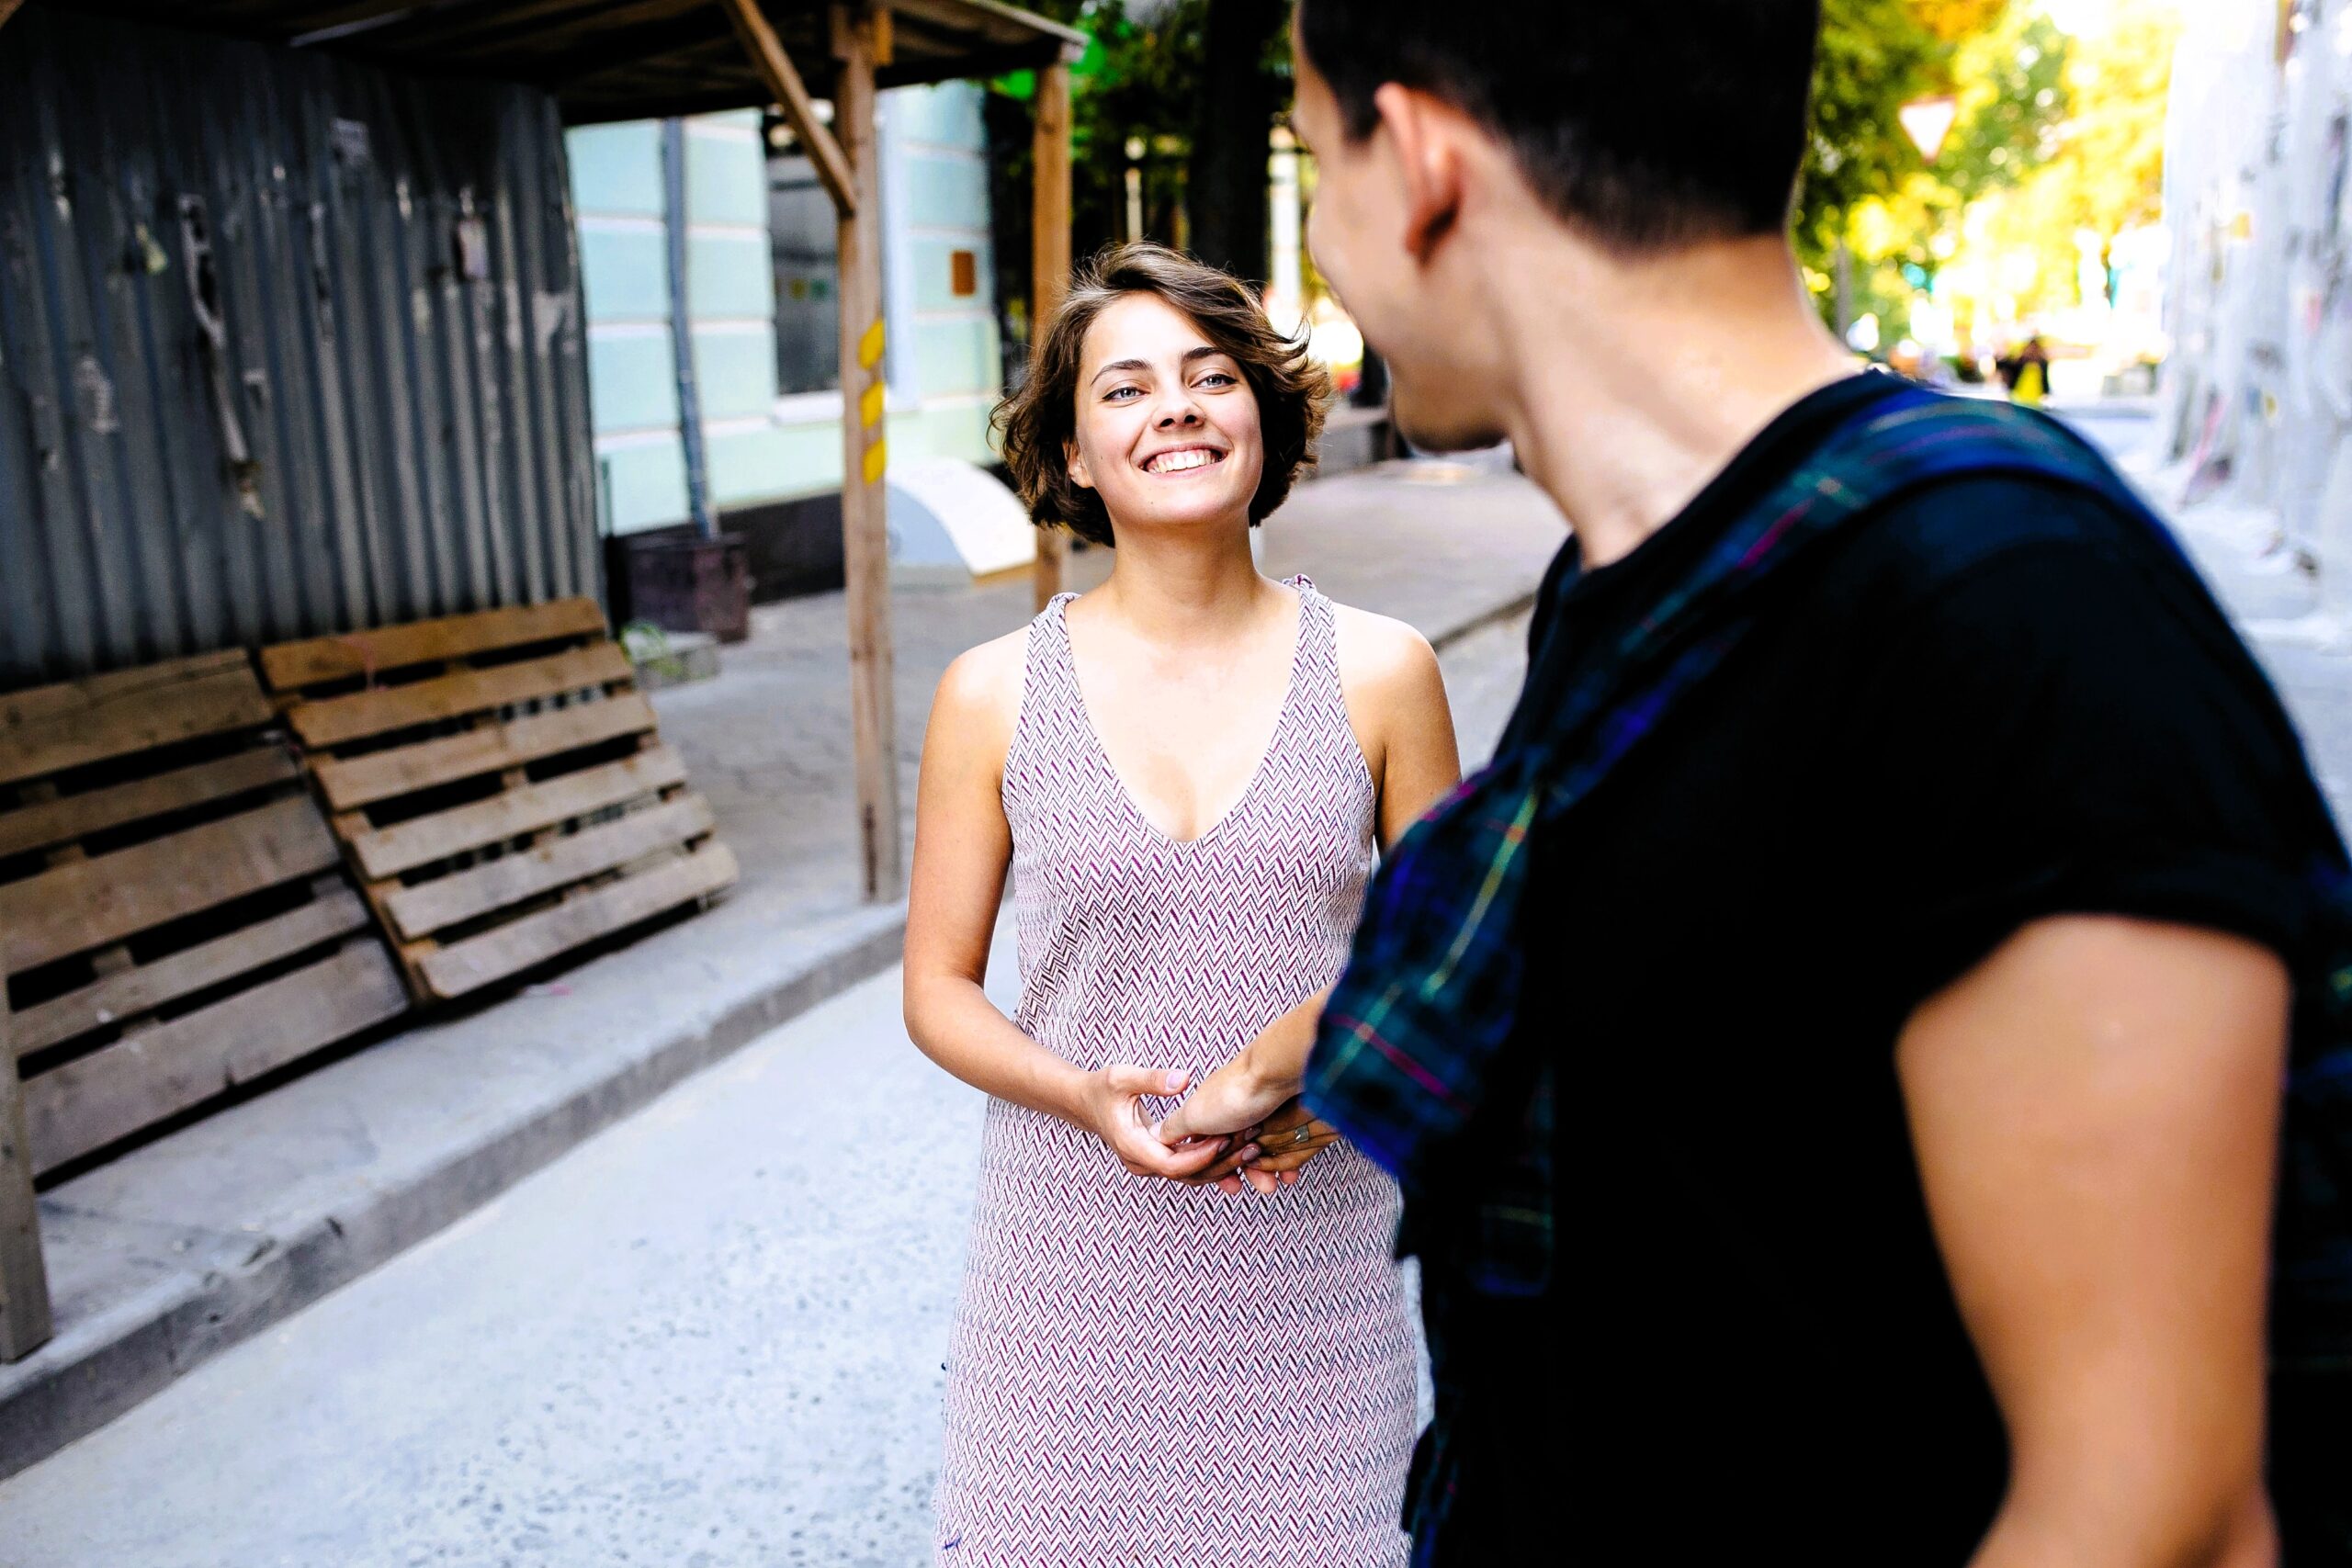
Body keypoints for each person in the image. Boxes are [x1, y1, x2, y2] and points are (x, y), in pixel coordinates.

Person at [1159, 4, 2348, 1562]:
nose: (1324, 247)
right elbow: (1658, 963)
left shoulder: (2006, 611)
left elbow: (2157, 1521)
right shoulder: (1646, 581)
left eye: (1317, 161)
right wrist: (1266, 1072)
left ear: (1430, 166)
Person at [903, 241, 1459, 1563]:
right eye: (1127, 388)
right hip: (1065, 1283)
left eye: (1213, 377)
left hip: (1315, 1286)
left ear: (1264, 417)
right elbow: (936, 991)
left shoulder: (1386, 673)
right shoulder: (990, 693)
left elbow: (1449, 966)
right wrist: (1085, 1092)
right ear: (1077, 454)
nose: (1178, 408)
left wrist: (1343, 1075)